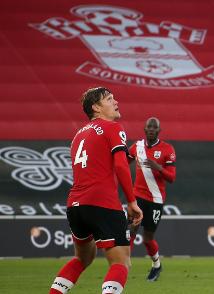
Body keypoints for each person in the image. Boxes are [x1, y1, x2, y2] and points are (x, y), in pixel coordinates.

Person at [49, 87, 142, 294]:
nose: (115, 101)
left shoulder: (79, 135)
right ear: (96, 107)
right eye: (109, 99)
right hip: (102, 202)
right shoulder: (113, 127)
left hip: (75, 205)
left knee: (82, 259)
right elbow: (119, 166)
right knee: (121, 262)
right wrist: (132, 201)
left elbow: (100, 164)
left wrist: (129, 155)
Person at [127, 117, 176, 282]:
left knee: (148, 238)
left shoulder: (167, 149)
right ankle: (124, 264)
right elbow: (122, 163)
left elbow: (172, 178)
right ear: (144, 129)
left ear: (159, 131)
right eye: (149, 127)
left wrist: (158, 167)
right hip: (137, 197)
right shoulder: (136, 147)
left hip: (155, 201)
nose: (151, 130)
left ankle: (156, 265)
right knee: (131, 230)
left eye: (155, 128)